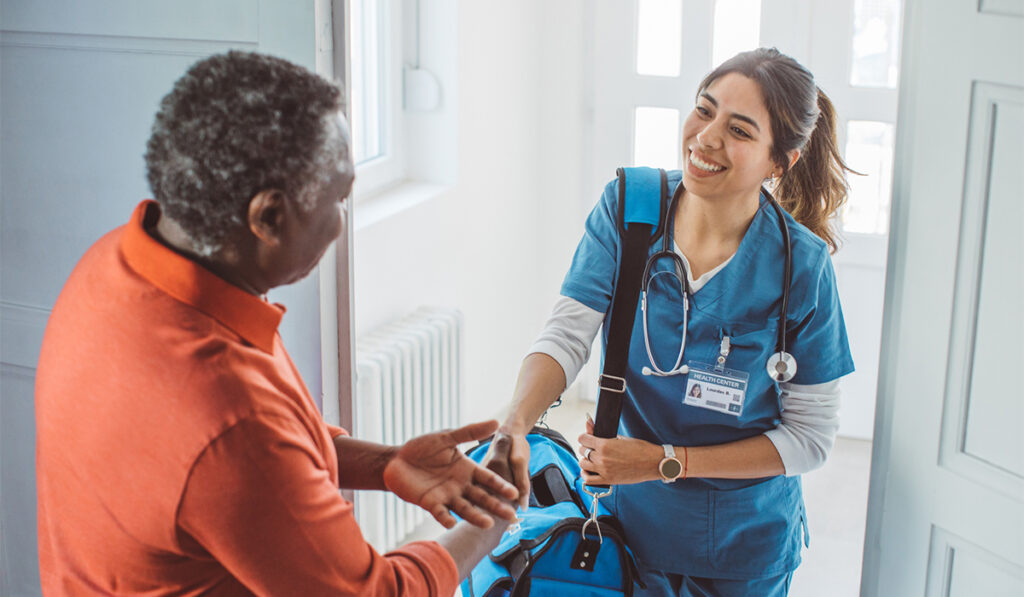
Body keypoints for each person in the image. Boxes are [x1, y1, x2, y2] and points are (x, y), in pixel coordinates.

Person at [35, 51, 519, 596]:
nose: (341, 220)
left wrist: (386, 463)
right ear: (268, 216)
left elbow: (251, 463)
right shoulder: (227, 416)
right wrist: (493, 517)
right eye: (339, 198)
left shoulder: (113, 264)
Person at [491, 48, 855, 596]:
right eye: (704, 110)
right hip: (629, 527)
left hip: (744, 543)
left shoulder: (801, 265)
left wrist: (664, 462)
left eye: (739, 130)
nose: (706, 138)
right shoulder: (630, 209)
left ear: (780, 162)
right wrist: (514, 426)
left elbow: (811, 437)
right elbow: (566, 336)